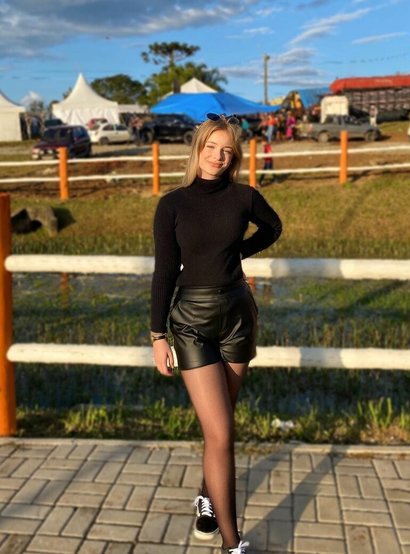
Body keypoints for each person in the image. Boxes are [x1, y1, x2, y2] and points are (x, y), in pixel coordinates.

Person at [150, 113, 282, 554]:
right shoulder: (172, 204)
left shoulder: (245, 197)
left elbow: (274, 227)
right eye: (211, 147)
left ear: (234, 157)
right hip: (191, 322)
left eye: (227, 151)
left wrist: (236, 251)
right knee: (222, 433)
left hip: (237, 317)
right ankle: (232, 544)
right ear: (198, 149)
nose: (218, 157)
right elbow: (164, 271)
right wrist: (157, 335)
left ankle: (208, 498)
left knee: (219, 429)